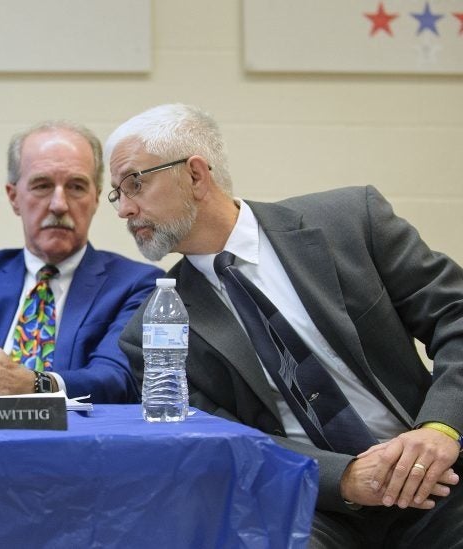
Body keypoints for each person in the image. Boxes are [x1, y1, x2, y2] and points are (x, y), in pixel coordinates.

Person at [106, 103, 463, 547]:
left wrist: (440, 429)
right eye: (116, 194)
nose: (124, 209)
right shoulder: (149, 332)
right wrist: (345, 478)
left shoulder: (351, 222)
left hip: (437, 470)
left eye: (133, 183)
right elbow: (219, 439)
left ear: (196, 175)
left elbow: (457, 318)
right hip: (316, 503)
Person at [0, 121, 162, 403]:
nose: (59, 205)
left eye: (76, 187)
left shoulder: (137, 284)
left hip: (80, 440)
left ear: (95, 199)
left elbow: (116, 379)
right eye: (41, 186)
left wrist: (33, 383)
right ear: (13, 197)